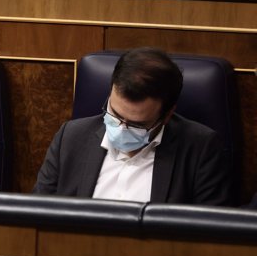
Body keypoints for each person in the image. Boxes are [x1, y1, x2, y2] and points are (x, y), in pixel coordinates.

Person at [33, 47, 232, 206]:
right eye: (115, 114)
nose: (121, 128)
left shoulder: (201, 149)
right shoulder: (70, 137)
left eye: (137, 124)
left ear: (167, 114)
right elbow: (38, 214)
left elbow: (210, 236)